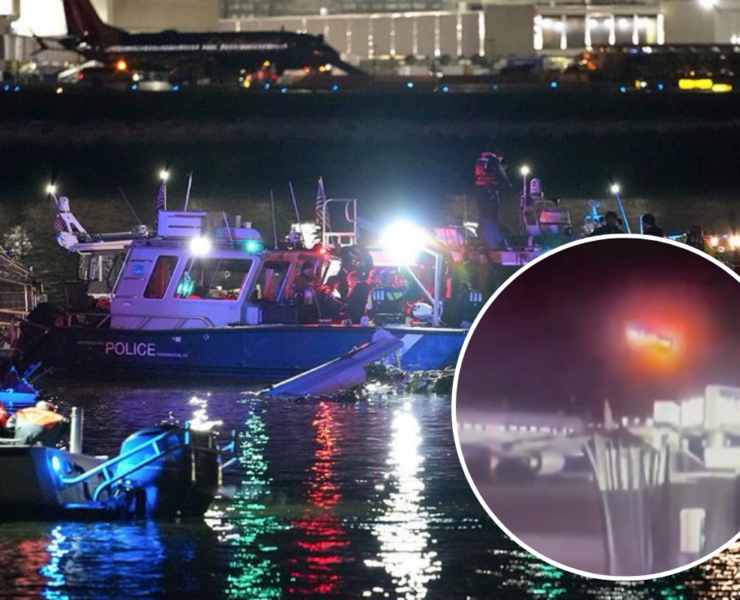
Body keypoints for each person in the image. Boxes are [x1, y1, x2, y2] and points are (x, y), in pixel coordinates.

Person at [474, 151, 512, 249]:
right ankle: (492, 240)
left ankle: (483, 234)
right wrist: (507, 184)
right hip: (490, 188)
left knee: (483, 214)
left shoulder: (481, 160)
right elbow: (501, 173)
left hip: (480, 188)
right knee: (491, 214)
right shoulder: (493, 160)